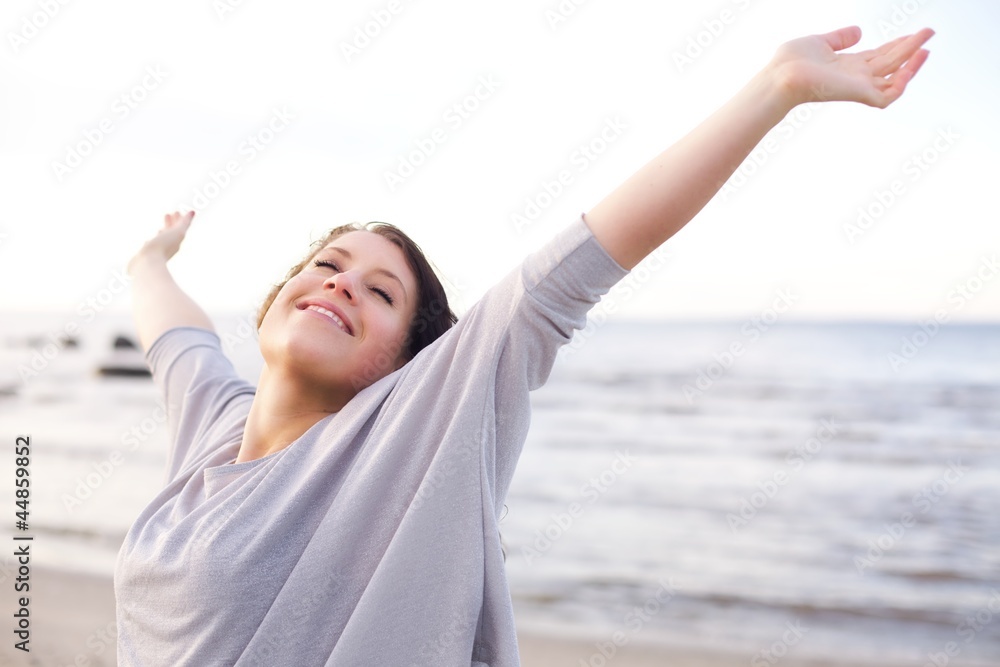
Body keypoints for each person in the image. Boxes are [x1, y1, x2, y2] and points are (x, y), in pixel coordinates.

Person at [115, 25, 933, 666]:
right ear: (274, 302)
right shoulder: (213, 427)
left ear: (408, 367)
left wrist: (775, 89)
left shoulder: (403, 437)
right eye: (328, 265)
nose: (339, 284)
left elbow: (566, 272)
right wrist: (150, 257)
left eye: (379, 290)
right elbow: (170, 324)